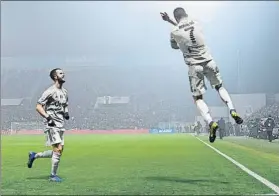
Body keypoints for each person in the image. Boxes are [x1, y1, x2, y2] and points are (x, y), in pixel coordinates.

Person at [160, 8, 243, 143]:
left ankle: (211, 122)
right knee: (219, 87)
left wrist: (169, 22)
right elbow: (187, 28)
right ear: (185, 14)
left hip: (194, 66)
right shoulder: (197, 22)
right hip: (209, 61)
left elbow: (174, 46)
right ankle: (232, 109)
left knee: (198, 98)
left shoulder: (174, 31)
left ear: (175, 17)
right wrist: (171, 21)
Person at [27, 68, 69, 182]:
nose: (63, 74)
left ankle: (34, 155)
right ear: (55, 77)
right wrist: (48, 117)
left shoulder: (65, 92)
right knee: (58, 149)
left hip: (60, 123)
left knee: (58, 151)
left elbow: (65, 104)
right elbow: (38, 106)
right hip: (51, 124)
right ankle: (53, 175)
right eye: (60, 73)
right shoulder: (49, 91)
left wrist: (66, 113)